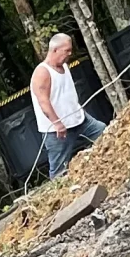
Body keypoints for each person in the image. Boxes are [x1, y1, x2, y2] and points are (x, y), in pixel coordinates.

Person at [29, 33, 105, 183]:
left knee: (103, 132)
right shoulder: (42, 72)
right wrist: (57, 123)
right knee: (59, 171)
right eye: (67, 51)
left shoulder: (63, 66)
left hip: (79, 119)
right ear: (55, 50)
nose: (70, 54)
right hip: (57, 130)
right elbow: (43, 102)